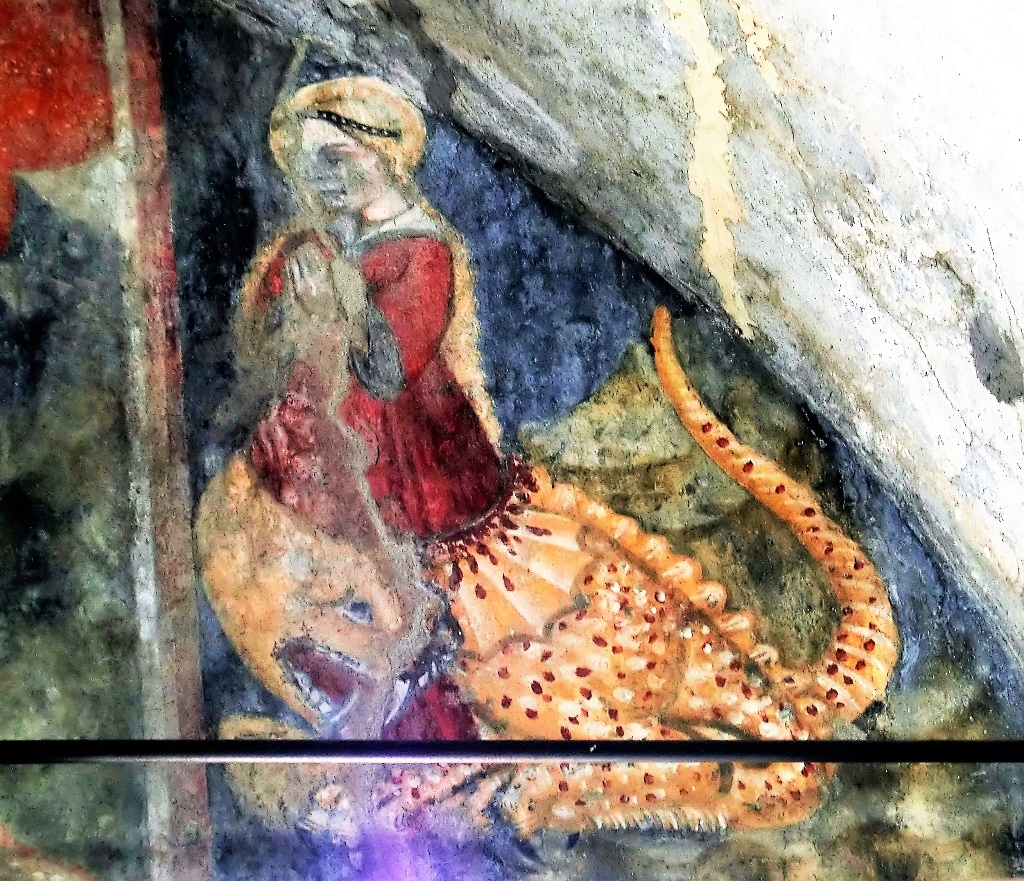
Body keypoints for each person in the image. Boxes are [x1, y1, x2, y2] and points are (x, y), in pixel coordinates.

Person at [196, 76, 899, 836]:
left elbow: (388, 364)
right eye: (312, 162)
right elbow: (263, 348)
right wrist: (295, 288)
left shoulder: (420, 251)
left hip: (435, 490)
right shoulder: (313, 248)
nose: (327, 177)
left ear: (384, 155)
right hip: (344, 488)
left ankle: (476, 757)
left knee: (496, 659)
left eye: (340, 157)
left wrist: (332, 300)